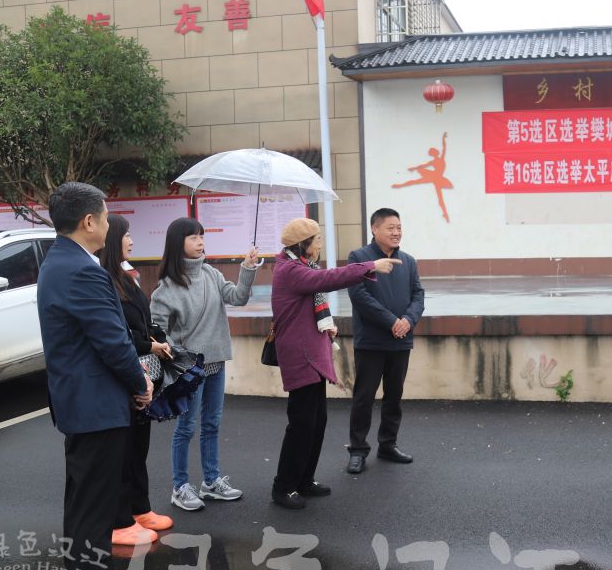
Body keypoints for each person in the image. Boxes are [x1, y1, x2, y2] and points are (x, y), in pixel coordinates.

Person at [36, 182, 159, 570]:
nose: (110, 225)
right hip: (95, 405)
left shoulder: (62, 262)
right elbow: (110, 340)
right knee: (93, 513)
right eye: (106, 217)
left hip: (84, 404)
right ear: (89, 222)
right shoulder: (81, 270)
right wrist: (140, 381)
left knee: (87, 506)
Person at [269, 218, 400, 509]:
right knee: (301, 424)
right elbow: (328, 279)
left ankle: (304, 480)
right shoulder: (290, 270)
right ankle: (284, 487)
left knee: (317, 422)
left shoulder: (301, 267)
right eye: (316, 240)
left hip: (312, 353)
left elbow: (317, 288)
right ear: (302, 244)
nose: (319, 245)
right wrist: (369, 266)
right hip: (300, 355)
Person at [151, 217, 261, 512]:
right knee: (186, 428)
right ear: (178, 244)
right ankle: (180, 487)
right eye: (193, 237)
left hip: (216, 362)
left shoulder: (211, 273)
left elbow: (238, 298)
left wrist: (247, 268)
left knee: (211, 424)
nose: (200, 242)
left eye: (202, 236)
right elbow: (157, 333)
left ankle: (211, 482)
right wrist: (178, 355)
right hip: (191, 370)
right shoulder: (166, 289)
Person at [99, 214, 174, 546]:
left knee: (138, 447)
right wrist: (148, 344)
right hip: (125, 376)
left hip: (146, 372)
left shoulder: (125, 276)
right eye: (126, 235)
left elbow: (143, 321)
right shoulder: (102, 278)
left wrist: (159, 338)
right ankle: (119, 520)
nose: (131, 240)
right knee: (122, 451)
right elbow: (118, 333)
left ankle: (139, 509)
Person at [345, 208, 425, 475]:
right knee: (364, 397)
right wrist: (391, 321)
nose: (396, 232)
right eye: (390, 227)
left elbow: (418, 295)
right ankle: (357, 450)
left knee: (394, 396)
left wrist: (408, 320)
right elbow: (359, 296)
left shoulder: (409, 261)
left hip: (401, 340)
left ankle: (388, 444)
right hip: (371, 341)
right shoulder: (359, 258)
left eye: (399, 227)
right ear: (374, 229)